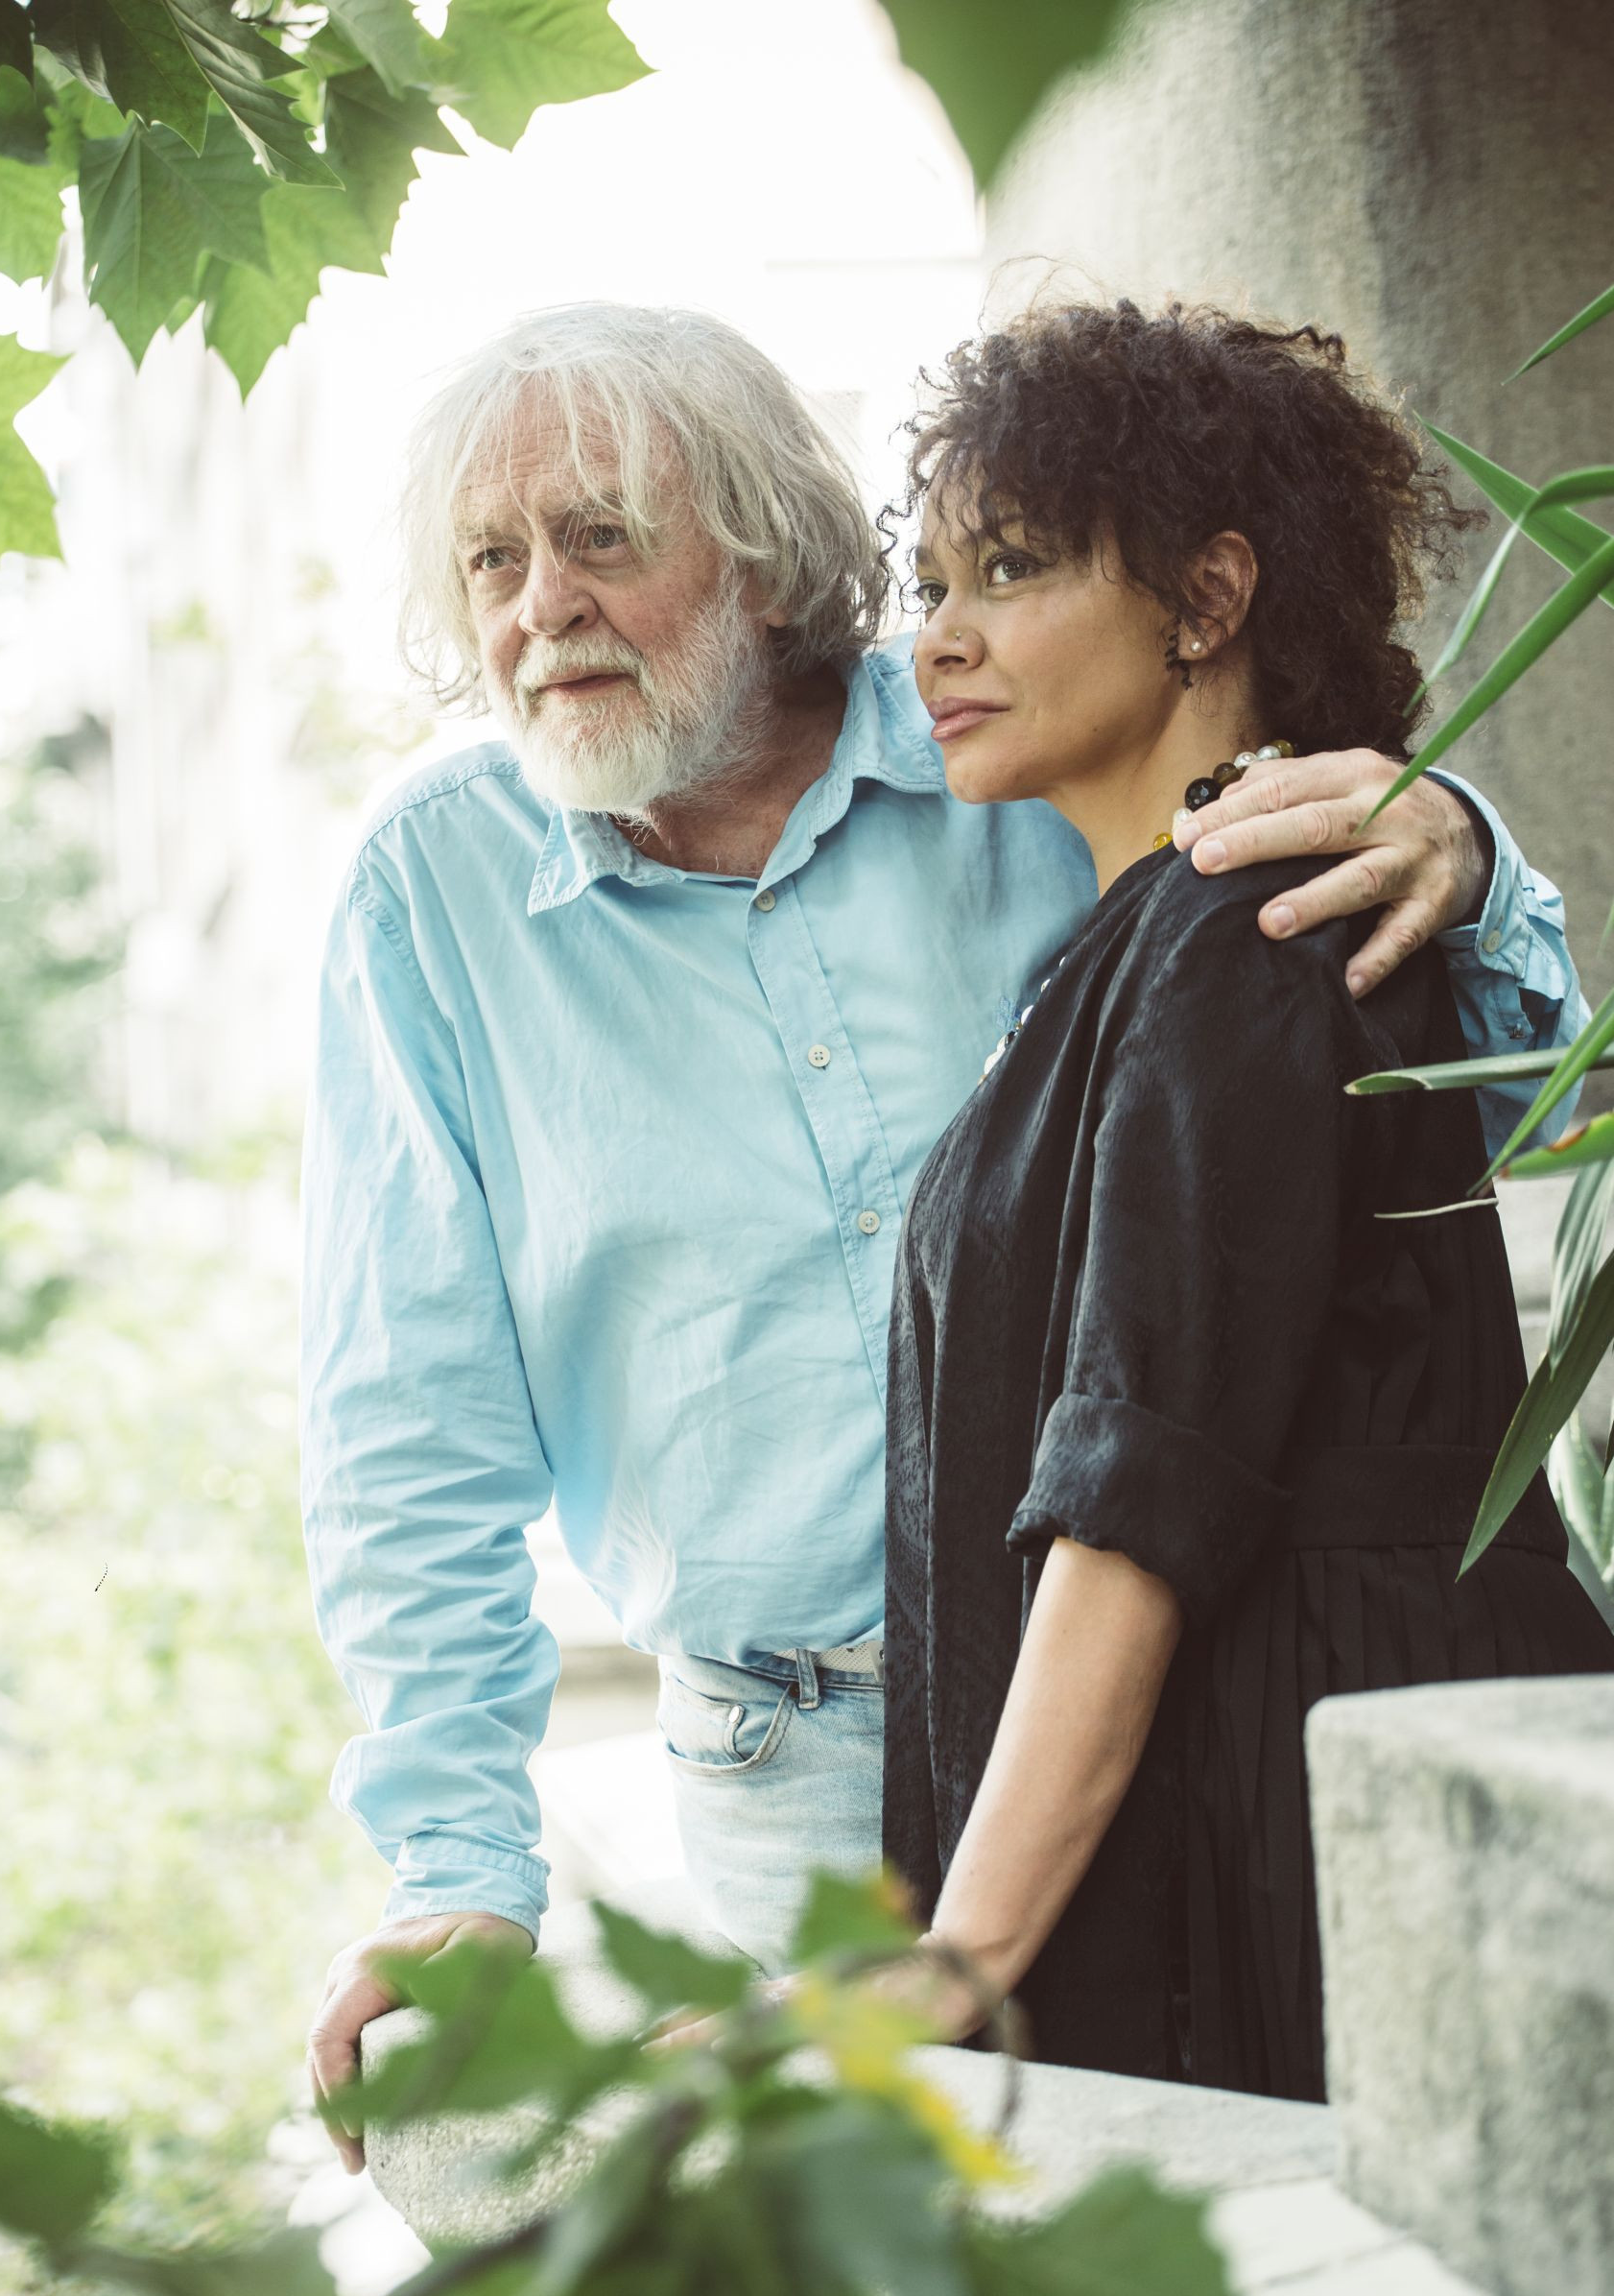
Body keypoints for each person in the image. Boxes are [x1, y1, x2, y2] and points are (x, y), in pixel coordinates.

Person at [300, 300, 1584, 2166]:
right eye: (491, 561)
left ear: (762, 554)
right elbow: (404, 1430)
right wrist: (456, 1868)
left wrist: (1457, 849)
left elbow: (1449, 1083)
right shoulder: (430, 897)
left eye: (600, 535)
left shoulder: (1036, 743)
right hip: (802, 1760)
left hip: (1199, 1675)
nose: (539, 608)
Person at [881, 297, 1614, 2103]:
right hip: (1266, 1761)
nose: (939, 636)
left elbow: (1139, 1492)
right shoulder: (1148, 938)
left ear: (1208, 598)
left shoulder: (1251, 917)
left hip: (1310, 1783)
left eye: (1010, 567)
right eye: (929, 584)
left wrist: (941, 1972)